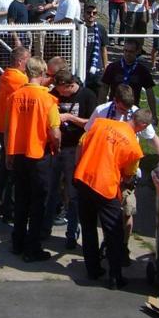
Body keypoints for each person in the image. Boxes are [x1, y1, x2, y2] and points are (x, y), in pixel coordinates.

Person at [73, 109, 150, 289]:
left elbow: (81, 143)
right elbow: (129, 176)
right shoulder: (133, 147)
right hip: (105, 187)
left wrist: (78, 167)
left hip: (83, 179)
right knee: (114, 232)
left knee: (88, 226)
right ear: (143, 126)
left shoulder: (101, 123)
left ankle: (92, 270)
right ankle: (115, 277)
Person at [5, 56, 60, 262]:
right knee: (38, 203)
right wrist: (57, 145)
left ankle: (17, 241)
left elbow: (9, 128)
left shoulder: (15, 96)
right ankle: (32, 247)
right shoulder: (48, 99)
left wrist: (8, 155)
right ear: (43, 73)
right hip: (39, 155)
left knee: (21, 200)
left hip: (18, 154)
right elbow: (54, 131)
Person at [43, 69, 97, 248]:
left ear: (70, 85)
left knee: (73, 194)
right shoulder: (54, 94)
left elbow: (91, 124)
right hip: (55, 149)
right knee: (51, 190)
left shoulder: (87, 96)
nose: (60, 94)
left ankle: (72, 232)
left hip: (75, 149)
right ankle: (46, 228)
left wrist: (70, 117)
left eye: (62, 91)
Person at [0, 46, 30, 220]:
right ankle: (7, 207)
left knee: (4, 167)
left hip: (2, 125)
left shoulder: (8, 74)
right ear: (20, 61)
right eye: (27, 60)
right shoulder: (17, 77)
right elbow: (31, 88)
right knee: (10, 167)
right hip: (9, 128)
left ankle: (0, 203)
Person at [100, 38, 158, 123]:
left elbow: (150, 92)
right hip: (113, 110)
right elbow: (104, 88)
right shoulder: (113, 67)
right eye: (125, 51)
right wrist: (101, 107)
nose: (127, 54)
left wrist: (154, 114)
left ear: (137, 52)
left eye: (131, 51)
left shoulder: (142, 70)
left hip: (132, 112)